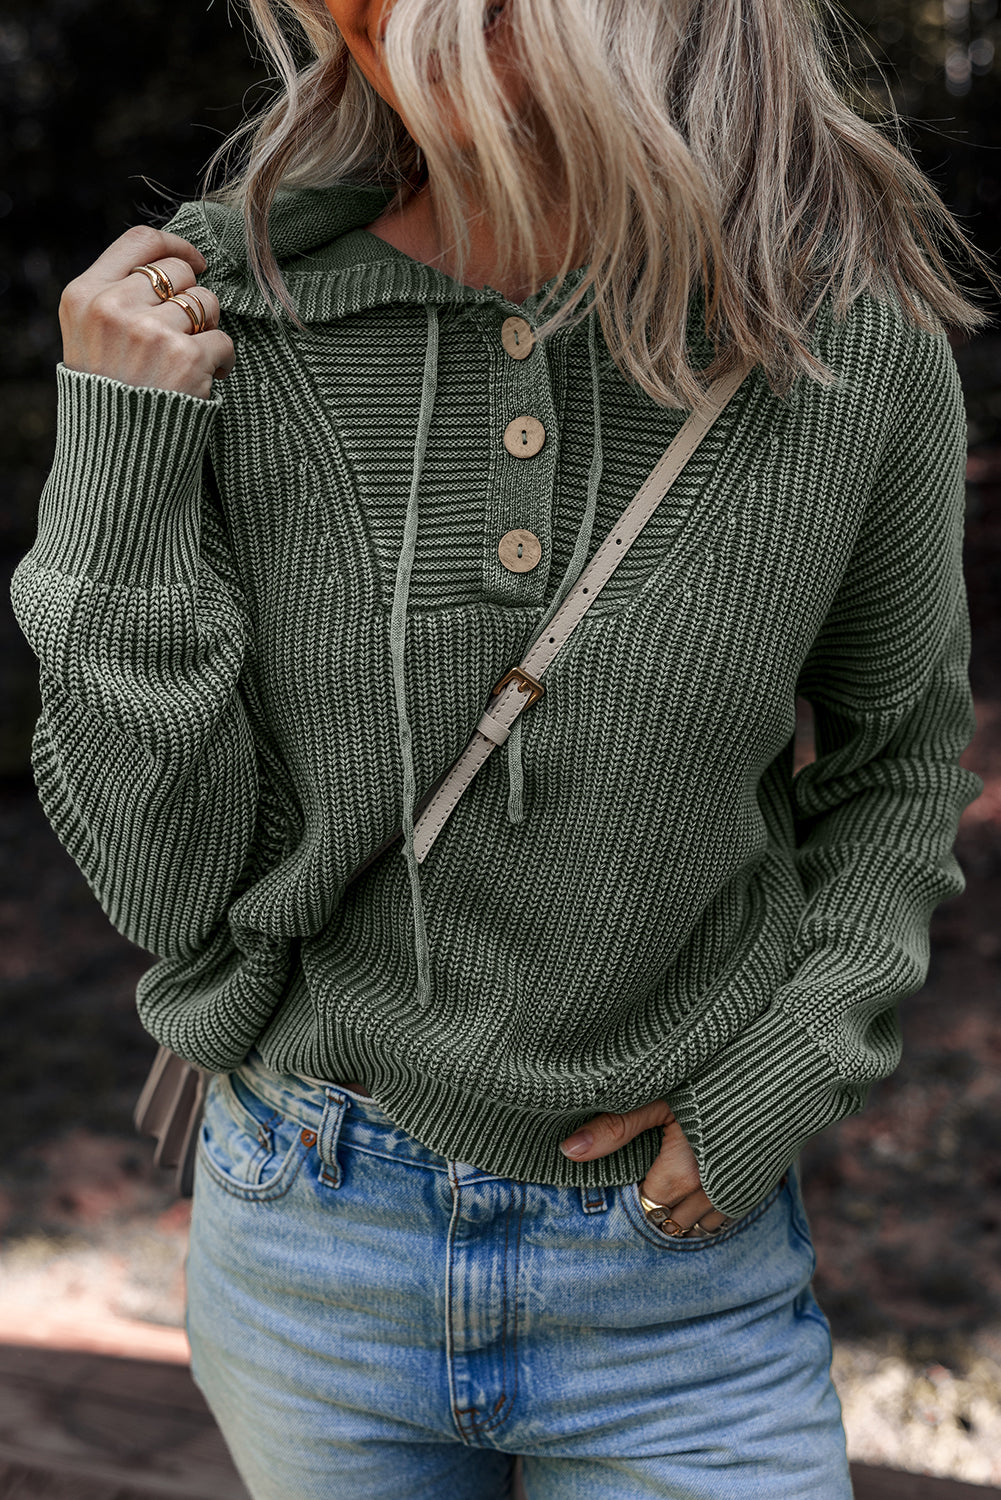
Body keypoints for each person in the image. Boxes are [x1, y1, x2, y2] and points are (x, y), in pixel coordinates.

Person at [10, 0, 995, 1495]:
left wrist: (796, 1060)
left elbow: (900, 769)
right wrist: (115, 454)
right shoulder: (228, 327)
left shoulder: (846, 350)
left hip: (675, 1290)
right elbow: (167, 890)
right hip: (309, 1248)